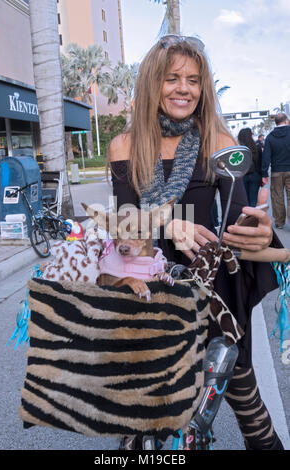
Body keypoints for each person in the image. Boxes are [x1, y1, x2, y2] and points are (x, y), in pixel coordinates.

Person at [107, 35, 283, 450]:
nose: (184, 89)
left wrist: (259, 229)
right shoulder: (124, 146)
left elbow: (236, 219)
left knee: (251, 415)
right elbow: (126, 231)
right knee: (139, 430)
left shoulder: (219, 140)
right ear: (153, 83)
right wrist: (169, 223)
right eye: (172, 79)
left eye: (193, 79)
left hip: (215, 296)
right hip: (150, 297)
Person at [262, 112, 290, 229]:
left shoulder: (270, 137)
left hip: (276, 172)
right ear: (286, 121)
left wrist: (264, 173)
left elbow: (266, 156)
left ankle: (279, 222)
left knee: (277, 197)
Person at [237, 127, 263, 206]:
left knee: (244, 201)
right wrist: (262, 176)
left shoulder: (238, 149)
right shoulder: (257, 147)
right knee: (253, 200)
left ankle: (247, 217)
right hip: (255, 176)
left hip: (242, 176)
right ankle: (253, 217)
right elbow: (261, 164)